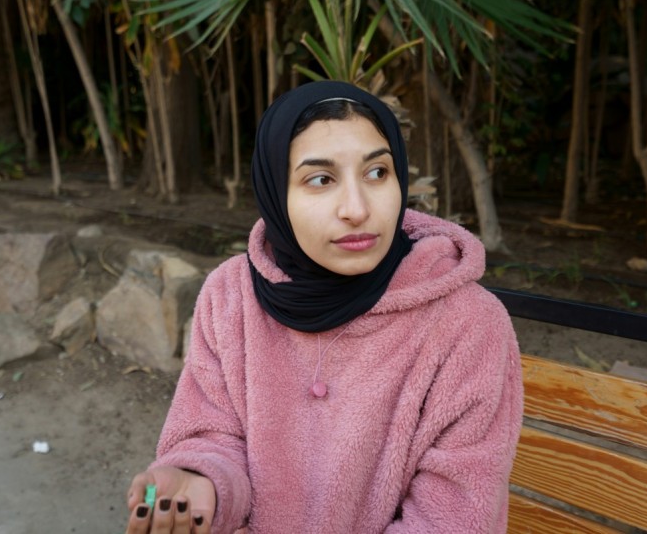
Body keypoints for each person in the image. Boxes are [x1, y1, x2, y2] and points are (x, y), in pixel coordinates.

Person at [124, 80, 523, 534]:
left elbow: (450, 518)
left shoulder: (467, 322)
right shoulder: (231, 295)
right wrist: (200, 480)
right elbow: (213, 435)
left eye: (377, 173)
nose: (357, 208)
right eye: (320, 179)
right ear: (275, 192)